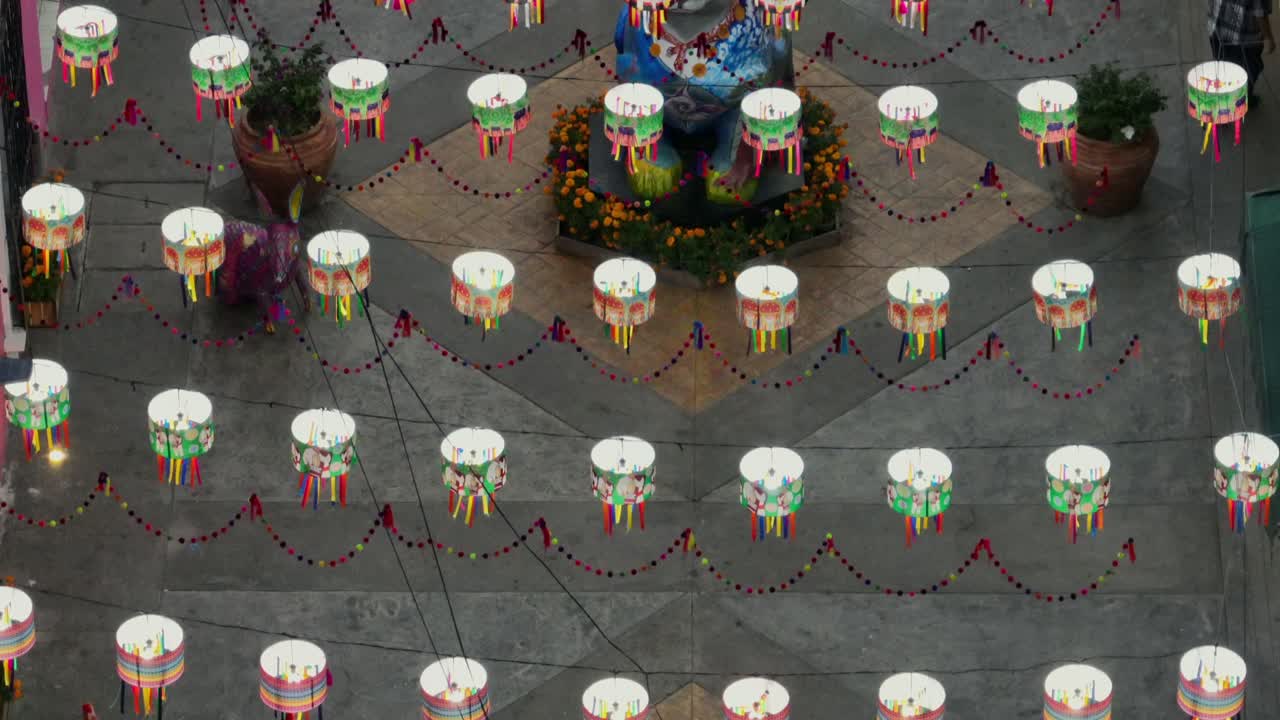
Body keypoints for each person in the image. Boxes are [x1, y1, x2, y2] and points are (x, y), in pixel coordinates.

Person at [1209, 0, 1277, 106]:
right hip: (1244, 39)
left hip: (1218, 30)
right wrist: (1269, 37)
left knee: (1223, 70)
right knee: (1248, 71)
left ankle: (1234, 102)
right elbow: (1260, 12)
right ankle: (1238, 102)